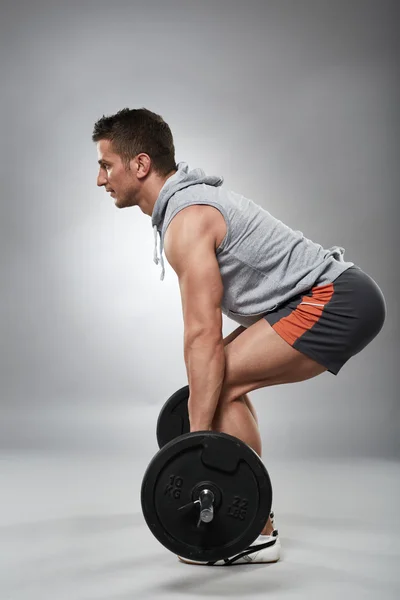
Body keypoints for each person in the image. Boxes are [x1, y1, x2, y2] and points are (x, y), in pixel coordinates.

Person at [92, 107, 387, 566]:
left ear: (141, 165)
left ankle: (255, 529)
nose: (100, 179)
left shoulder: (189, 221)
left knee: (218, 379)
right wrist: (198, 430)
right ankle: (253, 516)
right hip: (330, 296)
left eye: (106, 165)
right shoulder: (186, 210)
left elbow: (202, 336)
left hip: (339, 299)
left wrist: (198, 443)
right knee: (215, 382)